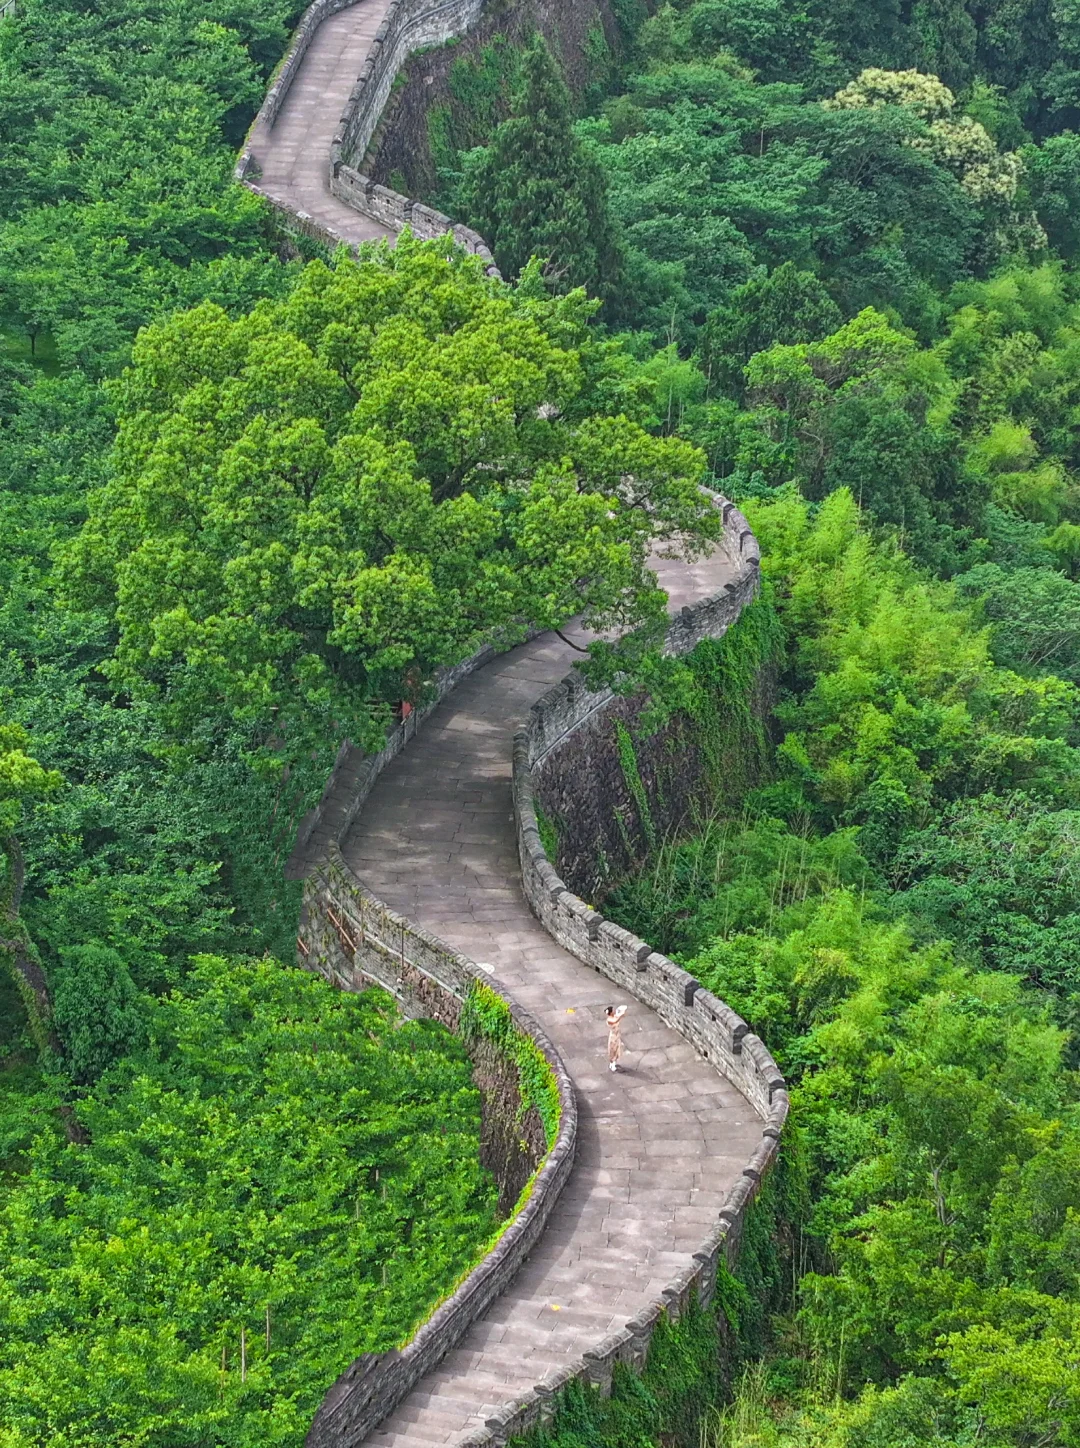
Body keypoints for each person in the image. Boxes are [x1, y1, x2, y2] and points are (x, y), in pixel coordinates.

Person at [605, 1004, 627, 1072]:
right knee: (612, 1049)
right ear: (610, 1012)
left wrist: (622, 1013)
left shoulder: (615, 1016)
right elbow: (615, 1021)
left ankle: (614, 1062)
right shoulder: (609, 1019)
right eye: (613, 1011)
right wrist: (620, 1015)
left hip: (617, 1035)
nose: (614, 1011)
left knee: (617, 1048)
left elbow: (619, 1016)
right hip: (613, 1036)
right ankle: (612, 1063)